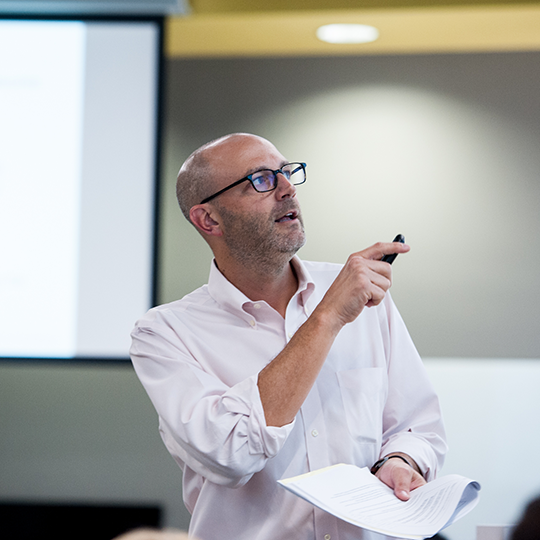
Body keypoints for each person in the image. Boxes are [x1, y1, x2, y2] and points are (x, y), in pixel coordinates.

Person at [130, 133, 447, 540]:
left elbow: (420, 426)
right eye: (261, 180)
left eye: (287, 172)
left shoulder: (362, 293)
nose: (286, 189)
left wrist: (402, 461)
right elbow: (231, 453)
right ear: (208, 219)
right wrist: (327, 317)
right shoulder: (165, 334)